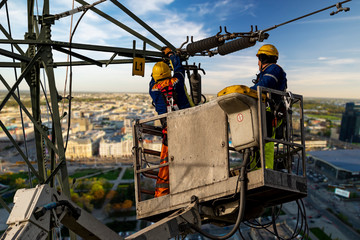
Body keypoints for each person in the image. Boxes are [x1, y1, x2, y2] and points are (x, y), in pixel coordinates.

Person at [149, 47, 191, 197]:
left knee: (166, 164)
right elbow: (179, 68)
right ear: (168, 72)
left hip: (170, 133)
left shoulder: (153, 90)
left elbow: (153, 80)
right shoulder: (178, 81)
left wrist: (161, 63)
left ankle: (162, 194)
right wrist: (172, 56)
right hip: (188, 127)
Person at [250, 44, 287, 170]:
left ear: (263, 58)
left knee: (266, 143)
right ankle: (254, 169)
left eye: (259, 59)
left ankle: (266, 171)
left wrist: (245, 92)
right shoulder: (266, 72)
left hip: (270, 112)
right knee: (254, 142)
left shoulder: (273, 70)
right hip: (265, 111)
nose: (258, 63)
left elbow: (264, 86)